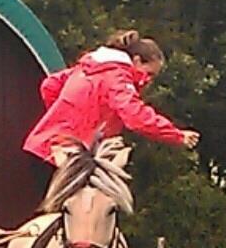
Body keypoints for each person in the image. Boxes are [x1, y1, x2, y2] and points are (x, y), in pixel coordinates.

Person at [23, 30, 200, 167]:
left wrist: (63, 117)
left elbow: (50, 85)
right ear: (136, 61)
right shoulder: (117, 76)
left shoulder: (89, 67)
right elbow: (135, 117)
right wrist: (177, 135)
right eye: (149, 73)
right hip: (64, 159)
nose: (148, 80)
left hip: (43, 149)